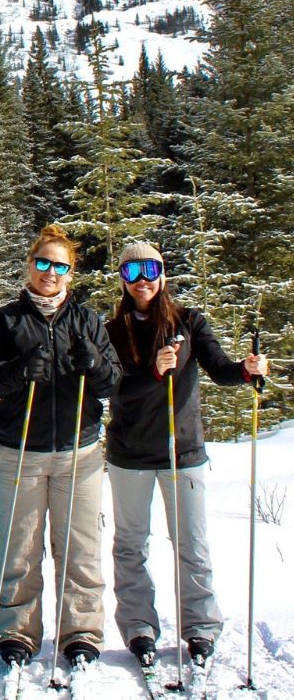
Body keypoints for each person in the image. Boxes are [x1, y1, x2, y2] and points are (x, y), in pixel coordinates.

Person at [105, 242, 269, 667]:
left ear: (162, 274)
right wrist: (155, 371)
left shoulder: (189, 322)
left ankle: (200, 627)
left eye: (150, 269)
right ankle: (139, 626)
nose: (142, 280)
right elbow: (116, 390)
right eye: (132, 271)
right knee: (130, 546)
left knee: (191, 544)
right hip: (130, 454)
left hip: (183, 451)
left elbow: (220, 369)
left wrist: (246, 370)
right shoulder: (113, 331)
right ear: (122, 279)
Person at [0, 223, 122, 668]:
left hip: (78, 451)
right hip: (20, 450)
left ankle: (81, 630)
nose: (50, 272)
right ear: (29, 265)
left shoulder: (88, 319)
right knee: (19, 547)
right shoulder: (5, 320)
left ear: (71, 272)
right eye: (43, 263)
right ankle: (17, 631)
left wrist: (94, 364)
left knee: (79, 548)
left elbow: (111, 382)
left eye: (60, 266)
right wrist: (21, 369)